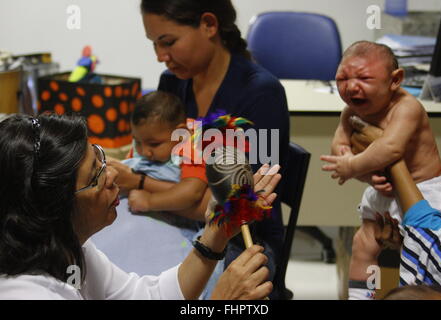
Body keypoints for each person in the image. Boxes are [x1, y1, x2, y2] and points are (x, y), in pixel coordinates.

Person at [0, 113, 281, 300]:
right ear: (54, 207)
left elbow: (148, 297)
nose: (111, 176)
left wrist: (215, 235)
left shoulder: (70, 249)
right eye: (94, 176)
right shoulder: (28, 293)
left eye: (100, 158)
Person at [139, 0, 291, 299]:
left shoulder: (260, 92)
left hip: (244, 237)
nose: (160, 57)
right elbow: (166, 168)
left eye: (168, 42)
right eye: (154, 45)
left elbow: (239, 206)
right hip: (183, 218)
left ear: (209, 24)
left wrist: (144, 188)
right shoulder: (173, 83)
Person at [320, 41, 441, 300]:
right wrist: (363, 172)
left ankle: (414, 294)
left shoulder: (406, 107)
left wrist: (352, 165)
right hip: (385, 190)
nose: (351, 86)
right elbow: (340, 143)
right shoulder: (351, 111)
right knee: (363, 243)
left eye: (365, 78)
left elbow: (390, 149)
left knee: (418, 258)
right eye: (342, 78)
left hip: (423, 192)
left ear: (395, 80)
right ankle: (362, 296)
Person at [108, 90, 207, 220]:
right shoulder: (146, 138)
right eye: (137, 141)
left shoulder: (193, 147)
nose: (144, 152)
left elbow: (192, 192)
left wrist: (150, 201)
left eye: (154, 144)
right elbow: (130, 171)